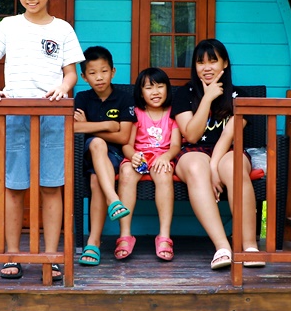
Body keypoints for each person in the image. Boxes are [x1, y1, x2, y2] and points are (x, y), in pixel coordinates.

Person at [0, 0, 84, 282]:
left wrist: (62, 88)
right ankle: (12, 255)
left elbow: (72, 74)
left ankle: (52, 257)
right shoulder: (8, 25)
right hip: (15, 114)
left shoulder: (63, 28)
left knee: (52, 186)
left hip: (52, 115)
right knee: (14, 187)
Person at [172, 39, 264, 270]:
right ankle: (223, 247)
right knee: (195, 167)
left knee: (233, 167)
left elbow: (226, 138)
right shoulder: (183, 95)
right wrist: (207, 98)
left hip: (227, 151)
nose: (207, 67)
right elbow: (191, 135)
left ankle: (249, 246)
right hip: (193, 152)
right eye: (200, 62)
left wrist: (214, 169)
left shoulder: (239, 95)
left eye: (213, 60)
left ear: (224, 63)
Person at [73, 46, 135, 266]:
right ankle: (114, 199)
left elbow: (123, 137)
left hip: (115, 157)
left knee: (96, 178)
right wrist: (108, 125)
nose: (99, 77)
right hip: (88, 155)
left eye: (104, 71)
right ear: (83, 76)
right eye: (92, 73)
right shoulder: (81, 98)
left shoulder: (124, 98)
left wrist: (87, 126)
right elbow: (72, 128)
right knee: (98, 143)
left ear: (113, 72)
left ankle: (94, 242)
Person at [116, 67, 181, 261]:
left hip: (162, 157)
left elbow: (176, 145)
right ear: (141, 92)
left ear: (167, 90)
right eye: (149, 87)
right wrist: (134, 155)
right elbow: (127, 144)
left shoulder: (172, 114)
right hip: (140, 157)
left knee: (164, 174)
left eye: (160, 86)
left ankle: (164, 236)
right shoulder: (136, 113)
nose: (155, 92)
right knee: (126, 172)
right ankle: (125, 235)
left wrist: (167, 156)